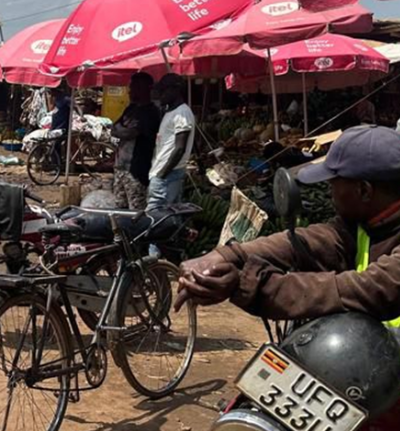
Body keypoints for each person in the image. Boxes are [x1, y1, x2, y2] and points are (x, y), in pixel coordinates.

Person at [174, 125, 400, 324]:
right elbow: (311, 241)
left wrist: (244, 284)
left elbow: (364, 289)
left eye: (334, 184)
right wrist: (227, 255)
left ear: (364, 190)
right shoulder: (365, 221)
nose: (331, 192)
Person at [111, 73, 162, 210]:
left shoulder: (150, 113)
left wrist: (121, 129)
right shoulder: (131, 109)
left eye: (133, 87)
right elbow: (114, 127)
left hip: (136, 171)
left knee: (136, 211)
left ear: (144, 88)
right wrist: (120, 129)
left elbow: (128, 133)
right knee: (119, 208)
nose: (129, 90)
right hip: (120, 167)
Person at [147, 73, 195, 210]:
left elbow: (180, 148)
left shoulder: (182, 113)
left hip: (168, 175)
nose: (159, 94)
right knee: (165, 216)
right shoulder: (170, 112)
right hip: (162, 173)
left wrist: (162, 174)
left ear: (175, 90)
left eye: (163, 91)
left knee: (156, 217)